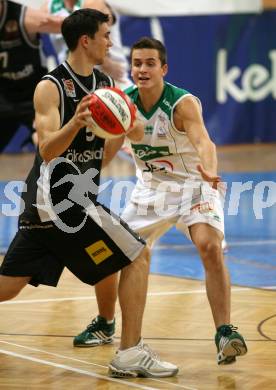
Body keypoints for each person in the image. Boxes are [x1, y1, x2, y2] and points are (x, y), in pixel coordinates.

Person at [0, 12, 178, 379]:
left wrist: (123, 129)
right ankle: (130, 352)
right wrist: (76, 122)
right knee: (137, 253)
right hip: (59, 203)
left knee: (9, 285)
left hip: (60, 204)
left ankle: (107, 326)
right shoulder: (51, 86)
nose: (110, 42)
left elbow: (104, 156)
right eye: (105, 35)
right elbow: (47, 149)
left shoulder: (104, 85)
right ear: (86, 40)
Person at [74, 37, 248, 366]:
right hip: (150, 189)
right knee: (114, 253)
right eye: (137, 63)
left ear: (163, 68)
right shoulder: (123, 103)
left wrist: (210, 171)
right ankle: (105, 323)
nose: (142, 69)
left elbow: (204, 142)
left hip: (194, 184)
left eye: (149, 63)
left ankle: (225, 332)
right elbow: (108, 158)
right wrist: (115, 129)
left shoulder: (181, 104)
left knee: (209, 246)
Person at [0, 0, 64, 152]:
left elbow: (69, 25)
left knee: (48, 143)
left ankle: (58, 173)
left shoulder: (26, 18)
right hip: (3, 94)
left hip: (34, 94)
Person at [42, 0, 131, 88]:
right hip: (72, 79)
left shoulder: (94, 3)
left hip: (111, 76)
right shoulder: (48, 7)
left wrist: (106, 63)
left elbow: (86, 28)